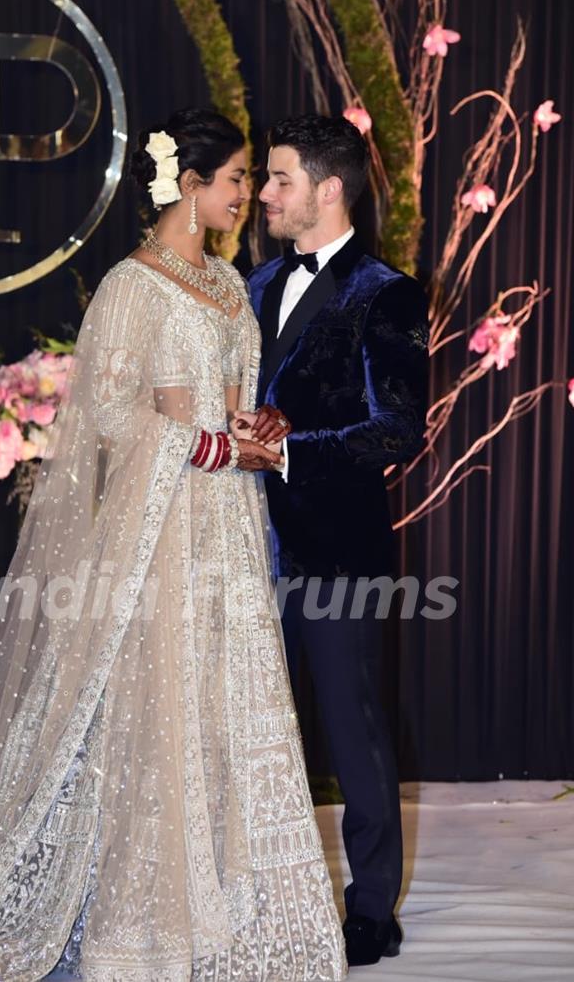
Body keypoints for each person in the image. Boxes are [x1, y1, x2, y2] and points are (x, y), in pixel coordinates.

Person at [0, 109, 346, 981]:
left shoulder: (231, 284)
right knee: (162, 702)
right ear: (191, 186)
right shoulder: (132, 286)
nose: (248, 193)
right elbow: (111, 413)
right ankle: (149, 916)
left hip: (230, 523)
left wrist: (254, 423)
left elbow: (231, 393)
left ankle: (231, 902)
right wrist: (198, 443)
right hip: (160, 530)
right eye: (236, 177)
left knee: (225, 697)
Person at [246, 114, 430, 968]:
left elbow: (397, 430)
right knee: (249, 727)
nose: (265, 194)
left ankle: (371, 907)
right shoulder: (252, 283)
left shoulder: (386, 292)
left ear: (329, 189)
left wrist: (283, 450)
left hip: (336, 554)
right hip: (244, 548)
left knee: (354, 734)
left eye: (280, 179)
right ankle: (253, 889)